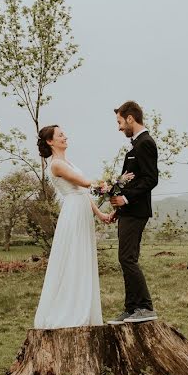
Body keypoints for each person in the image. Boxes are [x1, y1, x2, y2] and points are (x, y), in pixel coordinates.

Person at [33, 125, 111, 329]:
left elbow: (83, 191)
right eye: (60, 135)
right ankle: (69, 310)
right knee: (74, 256)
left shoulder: (68, 162)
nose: (65, 137)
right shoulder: (56, 165)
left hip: (82, 208)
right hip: (73, 212)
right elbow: (83, 183)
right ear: (50, 141)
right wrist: (106, 186)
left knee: (83, 255)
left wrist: (100, 213)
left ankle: (84, 306)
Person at [107, 100, 159, 324]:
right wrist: (117, 206)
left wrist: (126, 198)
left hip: (137, 210)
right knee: (125, 258)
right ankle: (131, 309)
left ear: (130, 118)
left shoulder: (145, 143)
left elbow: (151, 179)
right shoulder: (134, 145)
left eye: (119, 122)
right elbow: (129, 180)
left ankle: (145, 307)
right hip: (127, 211)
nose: (118, 127)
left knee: (127, 258)